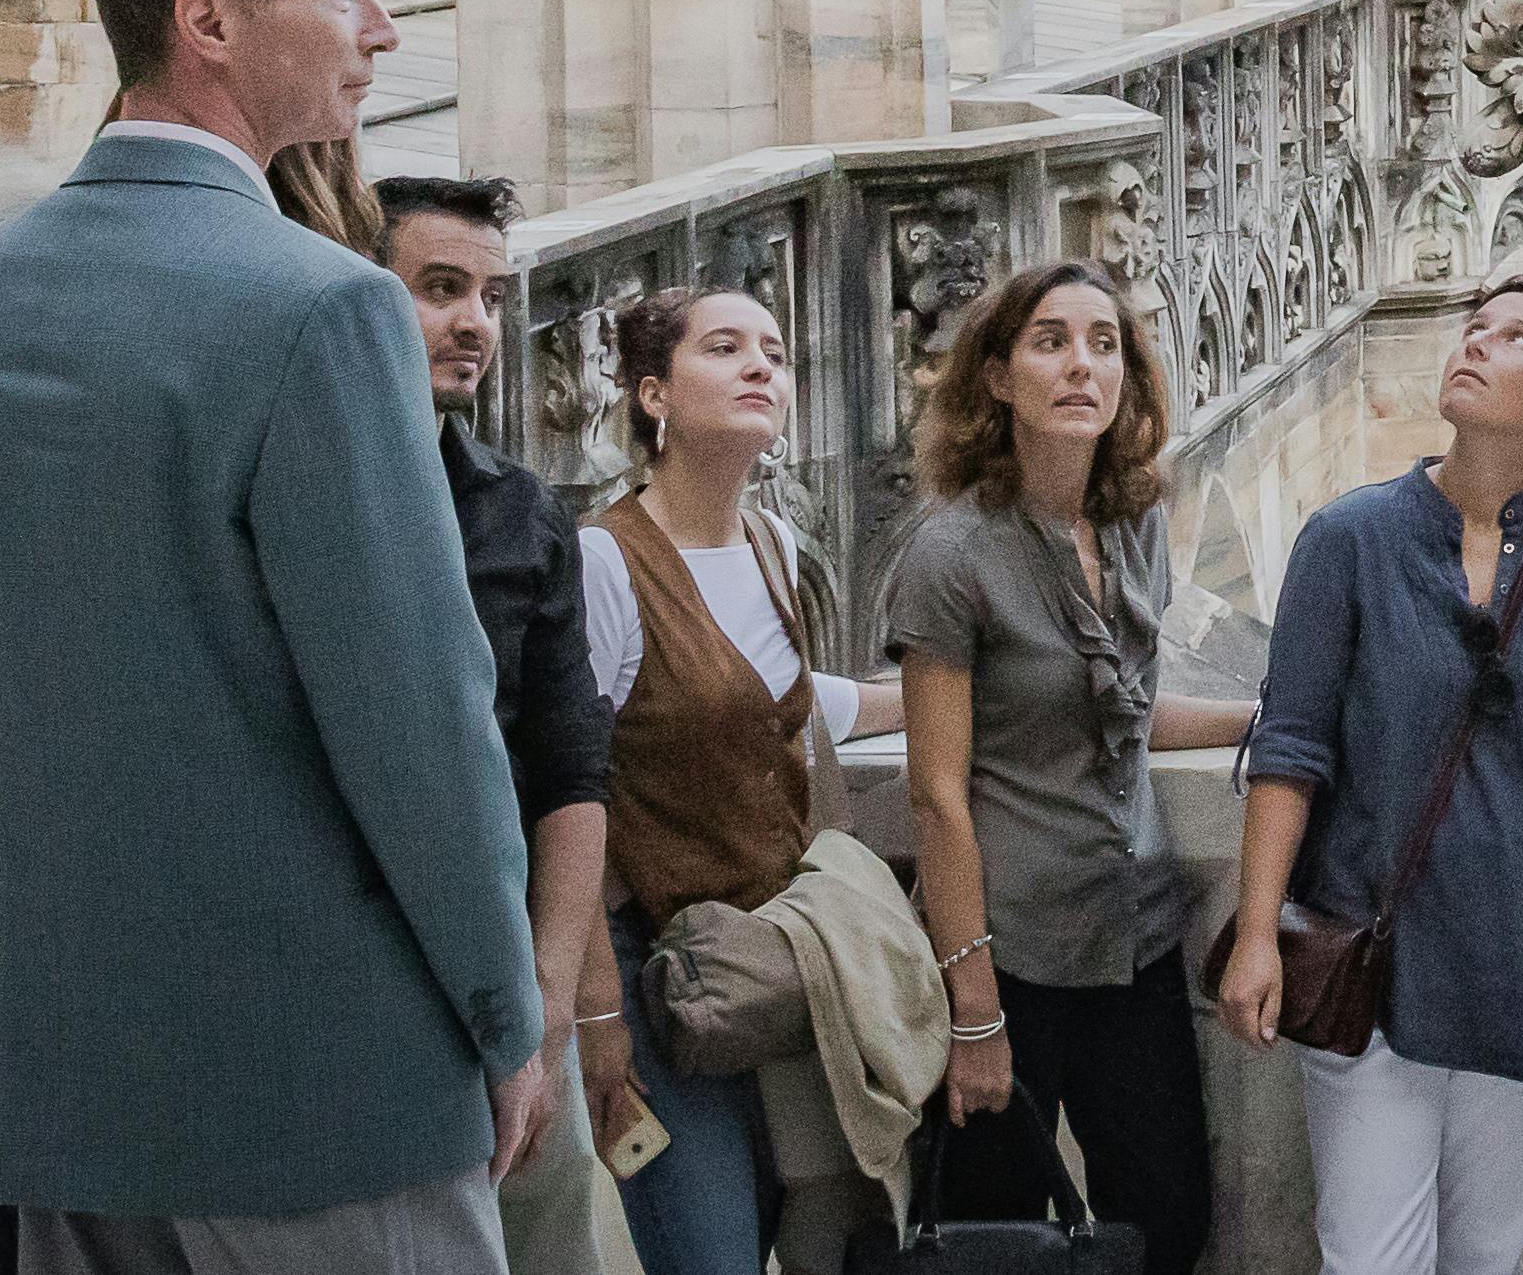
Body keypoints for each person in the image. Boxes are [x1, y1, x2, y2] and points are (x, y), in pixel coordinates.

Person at [0, 0, 559, 1270]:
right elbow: (417, 720)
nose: (379, 26)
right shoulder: (324, 307)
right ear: (207, 19)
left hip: (69, 1081)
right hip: (325, 1091)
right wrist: (508, 1015)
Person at [1216, 277, 1523, 1275]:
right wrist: (1255, 934)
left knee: (1486, 1261)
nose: (1474, 343)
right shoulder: (1347, 539)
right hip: (1380, 968)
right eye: (1473, 328)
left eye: (1512, 339)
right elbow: (1290, 750)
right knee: (1371, 1262)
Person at [882, 263, 1247, 1260]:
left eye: (1103, 342)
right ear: (997, 379)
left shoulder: (1133, 527)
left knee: (1167, 1227)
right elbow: (936, 795)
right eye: (1050, 341)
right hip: (1009, 961)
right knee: (991, 1241)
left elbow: (1117, 719)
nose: (1081, 364)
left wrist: (1262, 723)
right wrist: (973, 1013)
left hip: (1134, 942)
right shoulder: (950, 556)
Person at [580, 280, 873, 1275]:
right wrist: (594, 1018)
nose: (761, 366)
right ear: (652, 394)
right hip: (657, 975)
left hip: (777, 956)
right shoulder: (605, 562)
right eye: (725, 347)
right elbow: (564, 793)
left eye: (775, 352)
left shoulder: (772, 544)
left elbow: (786, 708)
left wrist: (956, 693)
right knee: (707, 1254)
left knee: (817, 1235)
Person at [377, 173, 625, 1275]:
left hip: (510, 989)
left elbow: (572, 773)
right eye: (439, 287)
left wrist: (550, 1007)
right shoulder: (281, 487)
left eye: (489, 295)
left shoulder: (521, 509)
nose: (474, 323)